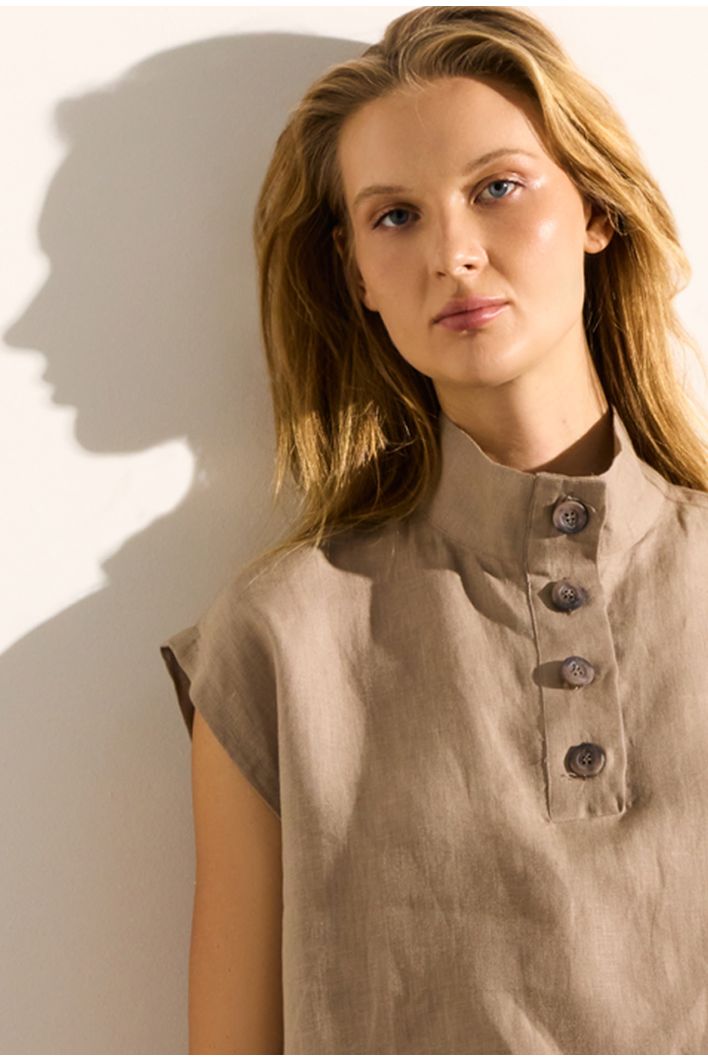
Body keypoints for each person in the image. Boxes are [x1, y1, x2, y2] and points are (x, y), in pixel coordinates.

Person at [159, 6, 708, 1053]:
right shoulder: (281, 638)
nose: (454, 253)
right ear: (355, 274)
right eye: (396, 216)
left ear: (595, 208)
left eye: (498, 188)